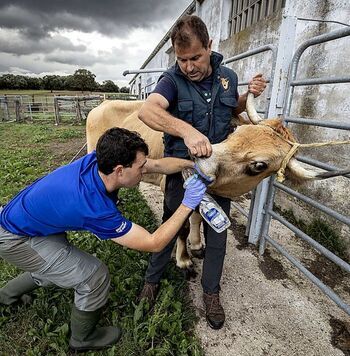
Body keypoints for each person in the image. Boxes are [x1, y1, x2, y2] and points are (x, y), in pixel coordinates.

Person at [0, 127, 207, 352]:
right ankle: (82, 338)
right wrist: (188, 203)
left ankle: (5, 297)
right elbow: (153, 242)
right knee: (93, 275)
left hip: (25, 221)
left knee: (53, 267)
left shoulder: (98, 160)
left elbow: (155, 165)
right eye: (140, 168)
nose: (145, 170)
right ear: (119, 171)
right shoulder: (94, 208)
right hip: (16, 239)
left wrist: (192, 166)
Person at [138, 15, 267, 330]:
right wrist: (186, 132)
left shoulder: (228, 76)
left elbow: (230, 109)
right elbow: (148, 110)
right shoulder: (171, 80)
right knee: (171, 225)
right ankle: (152, 280)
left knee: (218, 232)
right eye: (182, 59)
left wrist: (247, 95)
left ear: (210, 46)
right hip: (182, 170)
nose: (189, 66)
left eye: (195, 57)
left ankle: (211, 293)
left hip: (219, 173)